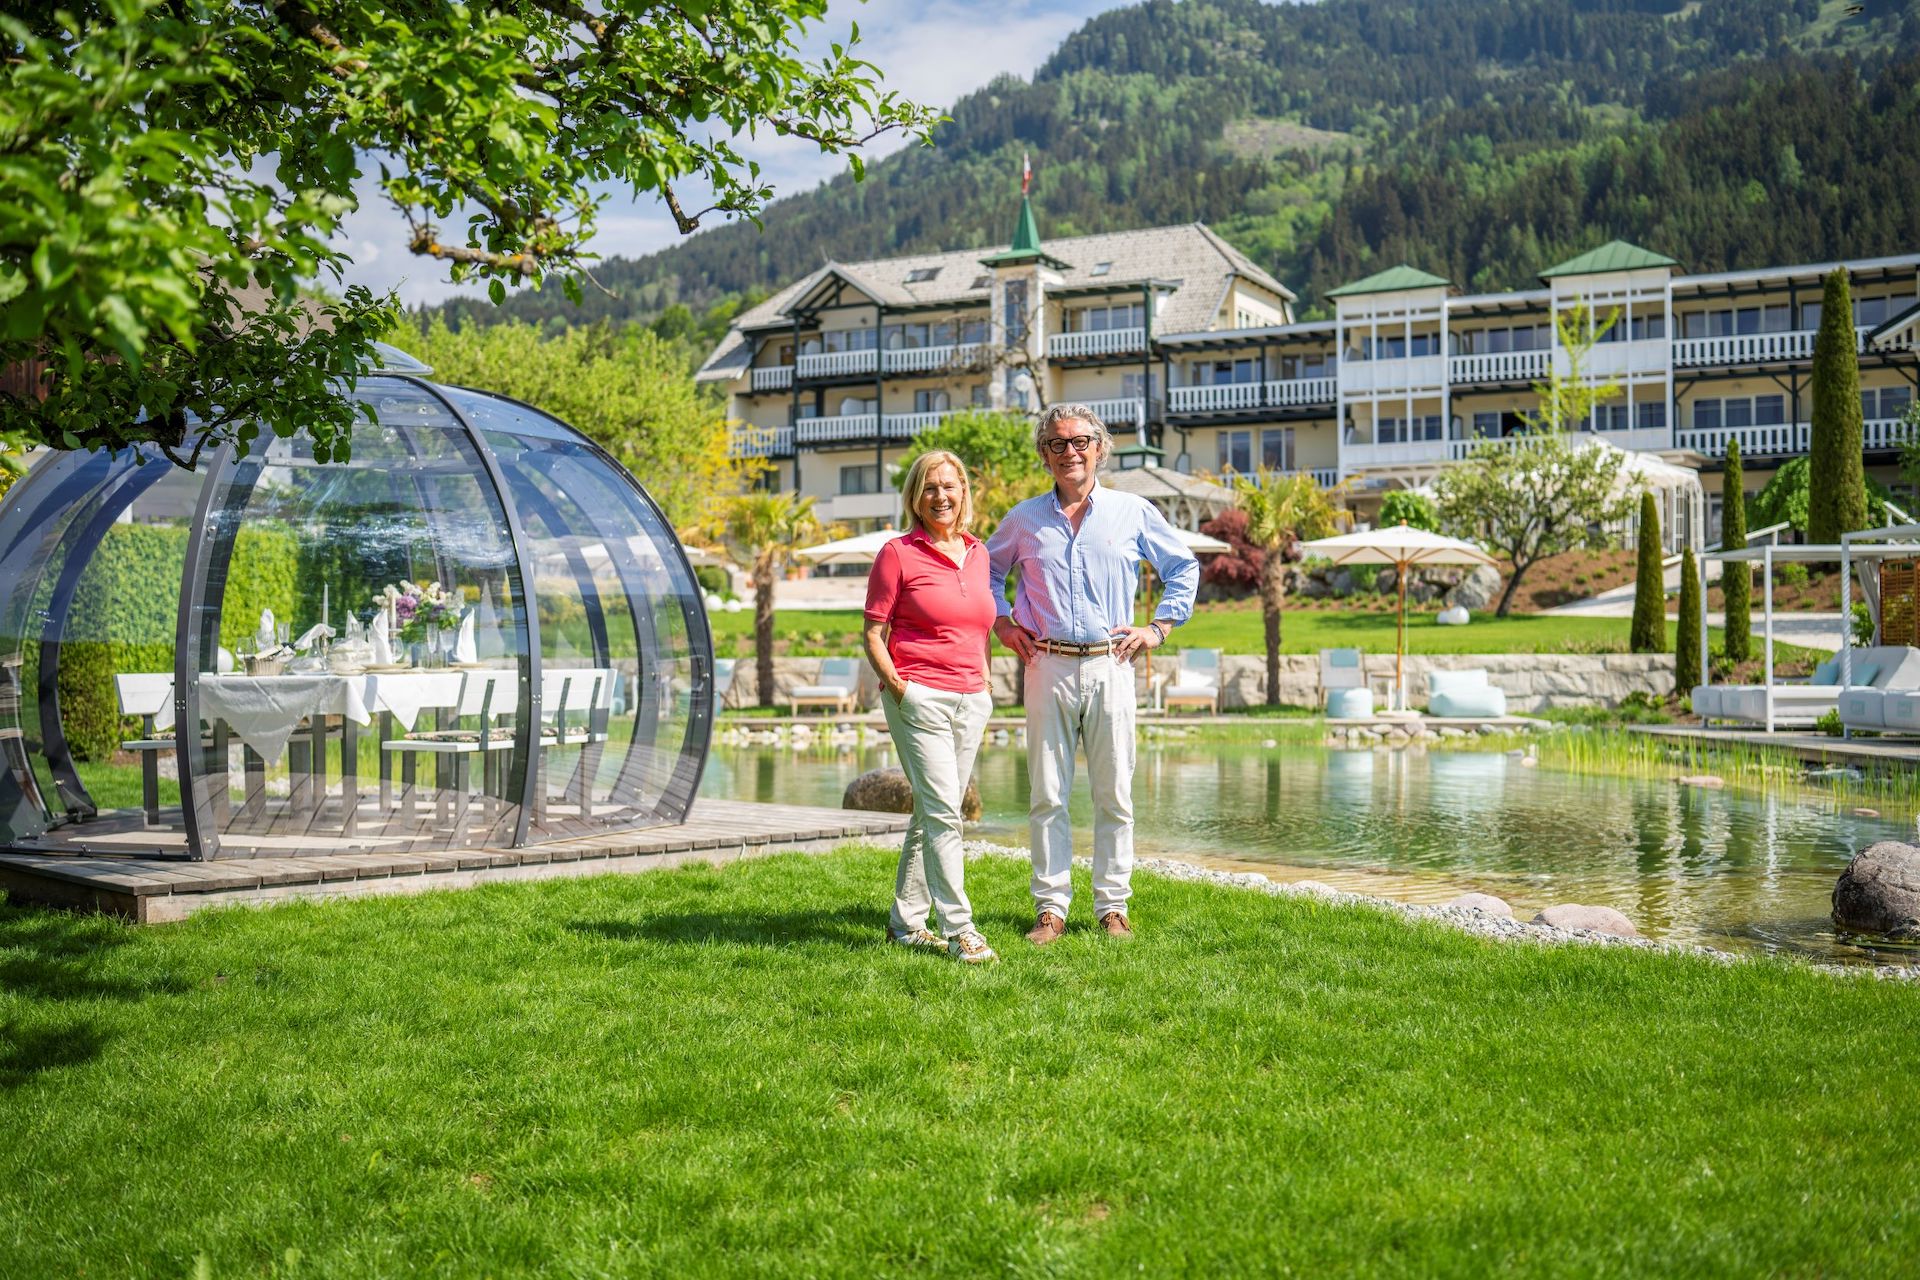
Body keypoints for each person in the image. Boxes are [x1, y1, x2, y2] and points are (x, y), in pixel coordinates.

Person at [987, 404, 1198, 944]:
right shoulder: (1023, 520)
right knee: (1047, 793)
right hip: (1046, 664)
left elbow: (1183, 567)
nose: (1070, 453)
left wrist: (1159, 629)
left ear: (1100, 449)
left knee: (1115, 793)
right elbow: (986, 570)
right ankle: (1051, 909)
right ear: (1044, 455)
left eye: (1080, 442)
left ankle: (1113, 907)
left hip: (1112, 663)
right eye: (1058, 444)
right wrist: (1004, 624)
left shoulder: (1133, 512)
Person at [863, 449, 999, 964]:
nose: (941, 496)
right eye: (929, 488)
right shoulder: (897, 553)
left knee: (931, 810)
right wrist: (900, 689)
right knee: (946, 811)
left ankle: (905, 922)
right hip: (918, 697)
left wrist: (984, 684)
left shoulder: (979, 553)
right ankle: (960, 928)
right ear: (915, 498)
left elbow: (980, 626)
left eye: (950, 486)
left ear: (964, 491)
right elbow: (874, 634)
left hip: (971, 699)